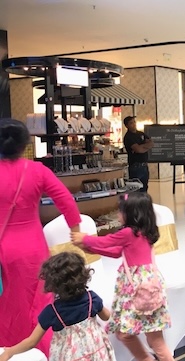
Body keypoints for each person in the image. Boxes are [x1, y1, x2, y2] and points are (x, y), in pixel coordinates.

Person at [0, 118, 81, 356]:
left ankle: (10, 349)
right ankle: (42, 349)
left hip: (4, 250)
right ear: (24, 143)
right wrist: (76, 230)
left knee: (7, 301)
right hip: (34, 248)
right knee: (39, 301)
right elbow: (66, 200)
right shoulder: (36, 171)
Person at [71, 193, 173, 361]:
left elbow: (107, 242)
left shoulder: (128, 233)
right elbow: (118, 251)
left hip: (135, 290)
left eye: (120, 211)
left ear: (132, 213)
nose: (117, 215)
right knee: (155, 340)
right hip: (151, 288)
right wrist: (91, 248)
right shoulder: (144, 232)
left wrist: (85, 239)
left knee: (125, 335)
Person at [0, 252, 115, 361]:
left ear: (53, 283)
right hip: (97, 352)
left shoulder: (52, 312)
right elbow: (106, 316)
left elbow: (31, 341)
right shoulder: (92, 299)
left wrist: (9, 352)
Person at [123, 116, 154, 192]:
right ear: (127, 126)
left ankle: (144, 203)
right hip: (135, 166)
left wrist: (142, 147)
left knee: (144, 187)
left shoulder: (141, 134)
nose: (134, 124)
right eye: (131, 123)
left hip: (144, 165)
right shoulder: (128, 137)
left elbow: (151, 143)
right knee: (136, 188)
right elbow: (138, 149)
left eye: (134, 122)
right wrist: (144, 147)